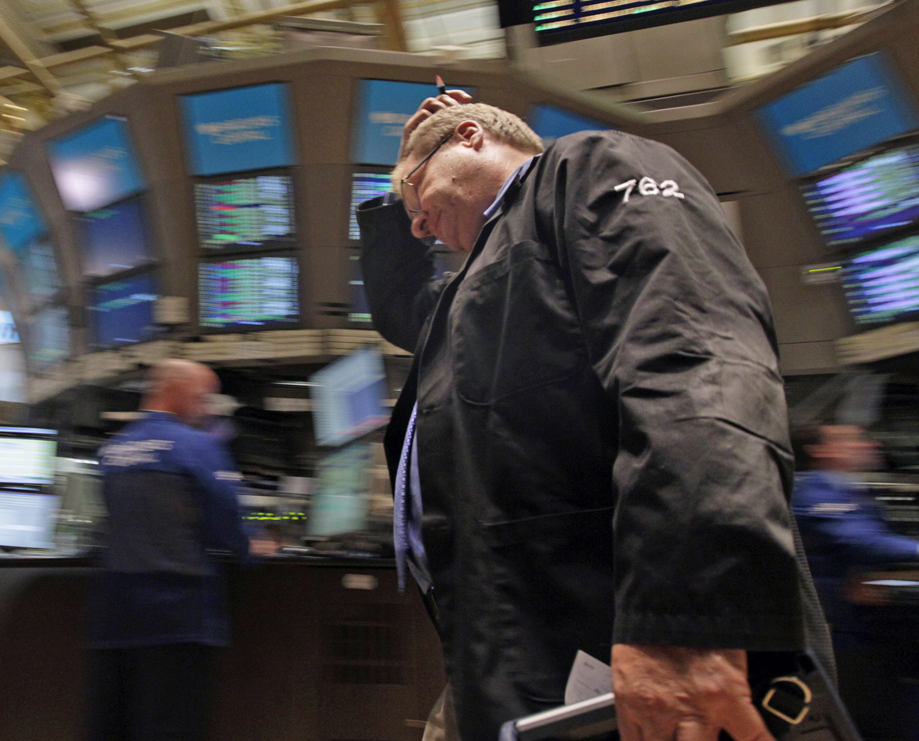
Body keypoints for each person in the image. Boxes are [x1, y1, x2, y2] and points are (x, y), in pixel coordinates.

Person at [357, 91, 829, 741]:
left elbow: (691, 361)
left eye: (418, 194)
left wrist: (681, 616)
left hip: (645, 645)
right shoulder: (482, 279)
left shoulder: (589, 168)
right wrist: (393, 200)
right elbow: (404, 309)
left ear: (470, 135)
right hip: (518, 654)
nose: (418, 226)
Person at [85, 359, 251, 741]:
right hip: (177, 614)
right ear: (175, 391)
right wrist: (252, 548)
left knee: (113, 726)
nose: (205, 409)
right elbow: (228, 522)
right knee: (171, 728)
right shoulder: (197, 447)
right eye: (202, 397)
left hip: (114, 616)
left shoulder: (113, 451)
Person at [792, 422, 919, 740]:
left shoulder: (851, 492)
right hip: (836, 639)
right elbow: (864, 543)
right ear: (820, 451)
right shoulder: (813, 489)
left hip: (863, 633)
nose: (866, 445)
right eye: (850, 440)